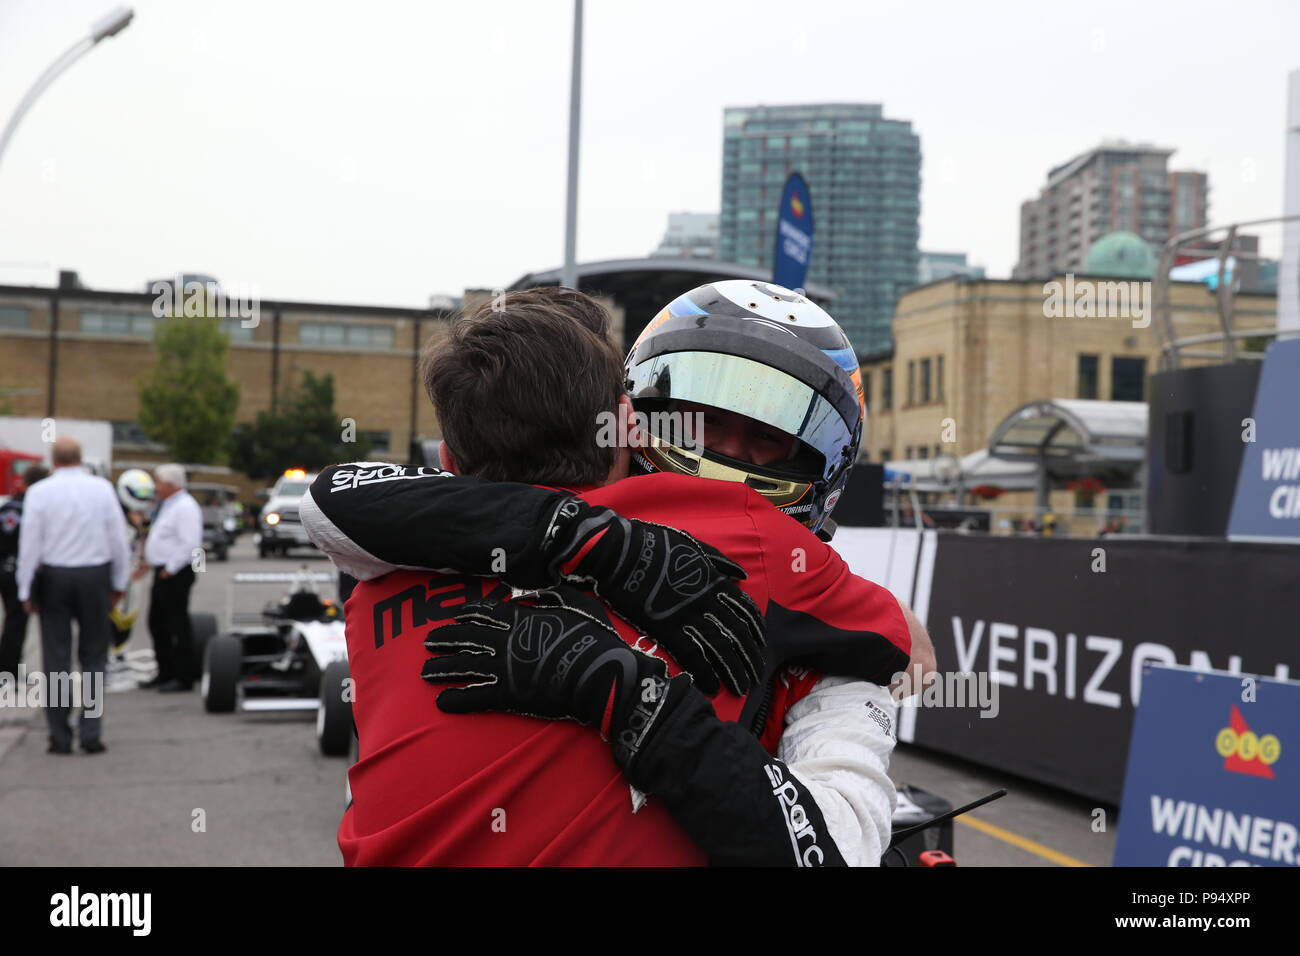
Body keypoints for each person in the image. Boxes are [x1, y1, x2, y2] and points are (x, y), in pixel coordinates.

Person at [304, 284, 934, 866]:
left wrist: (590, 562)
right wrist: (608, 572)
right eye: (703, 421)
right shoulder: (758, 535)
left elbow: (330, 499)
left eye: (767, 439)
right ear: (631, 423)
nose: (727, 458)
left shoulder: (395, 555)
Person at [16, 438, 129, 754]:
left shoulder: (39, 492)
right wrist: (120, 582)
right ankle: (91, 732)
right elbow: (118, 539)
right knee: (94, 657)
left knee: (56, 658)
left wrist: (25, 589)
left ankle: (59, 736)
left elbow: (30, 546)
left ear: (54, 461)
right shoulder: (102, 489)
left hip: (54, 576)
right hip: (94, 575)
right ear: (81, 459)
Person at [135, 464, 203, 692]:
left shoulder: (185, 506)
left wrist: (170, 569)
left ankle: (183, 676)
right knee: (158, 623)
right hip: (163, 570)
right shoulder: (169, 505)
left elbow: (190, 542)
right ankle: (166, 671)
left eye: (158, 482)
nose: (156, 487)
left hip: (175, 572)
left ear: (170, 484)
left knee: (176, 624)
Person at [0, 465, 50, 682]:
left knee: (14, 620)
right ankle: (8, 671)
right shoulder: (34, 507)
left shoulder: (9, 506)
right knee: (17, 621)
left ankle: (9, 667)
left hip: (5, 568)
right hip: (19, 571)